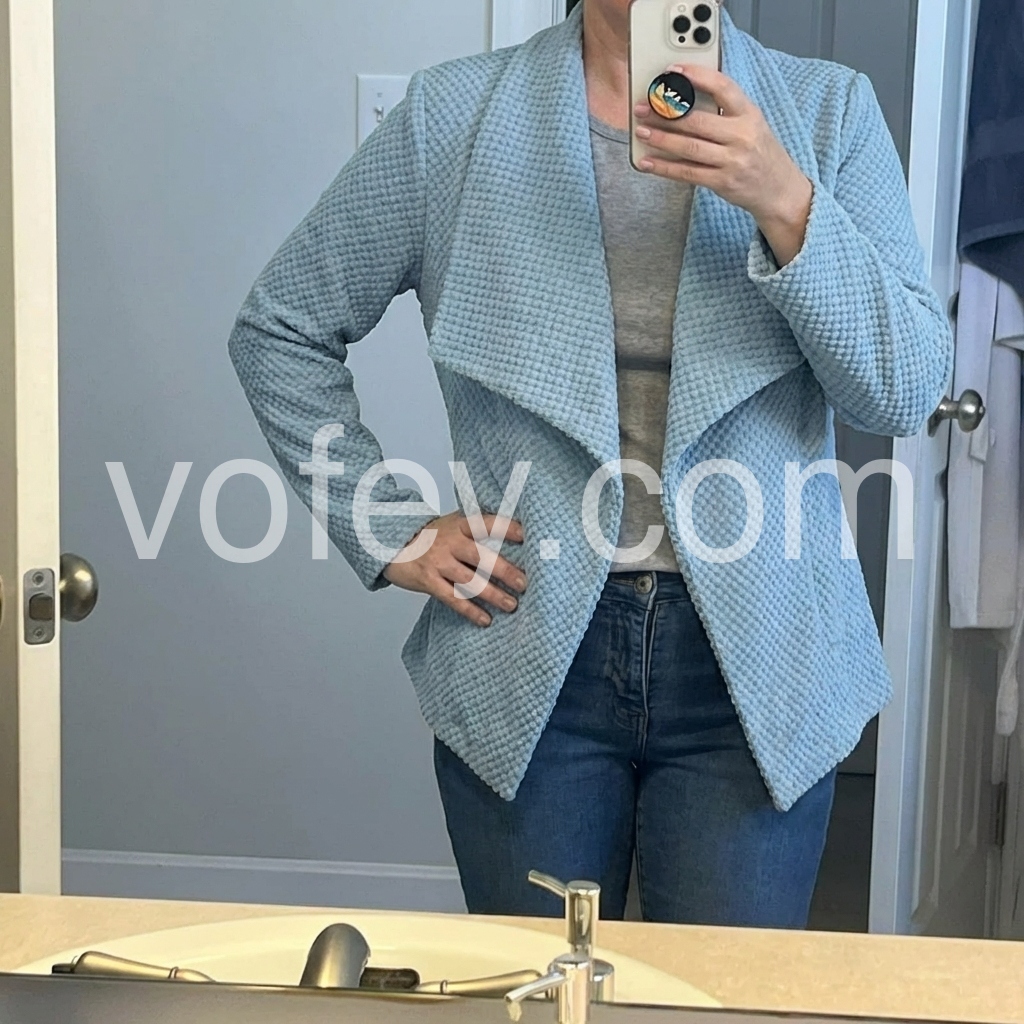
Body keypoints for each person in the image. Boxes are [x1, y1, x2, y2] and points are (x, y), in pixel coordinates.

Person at [229, 0, 953, 928]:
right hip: (527, 644)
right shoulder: (452, 117)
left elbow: (901, 393)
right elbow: (281, 328)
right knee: (537, 985)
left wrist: (785, 199)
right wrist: (389, 527)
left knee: (717, 994)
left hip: (762, 658)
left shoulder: (827, 114)